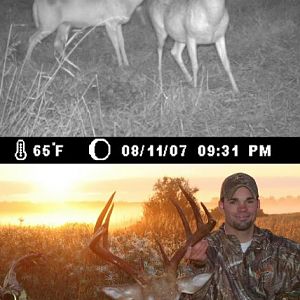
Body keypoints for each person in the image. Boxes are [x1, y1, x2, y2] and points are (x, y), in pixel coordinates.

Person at [184, 172, 300, 300]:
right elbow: (179, 294)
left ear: (258, 205)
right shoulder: (202, 250)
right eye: (234, 202)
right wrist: (198, 266)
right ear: (221, 206)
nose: (242, 208)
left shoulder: (283, 251)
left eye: (249, 201)